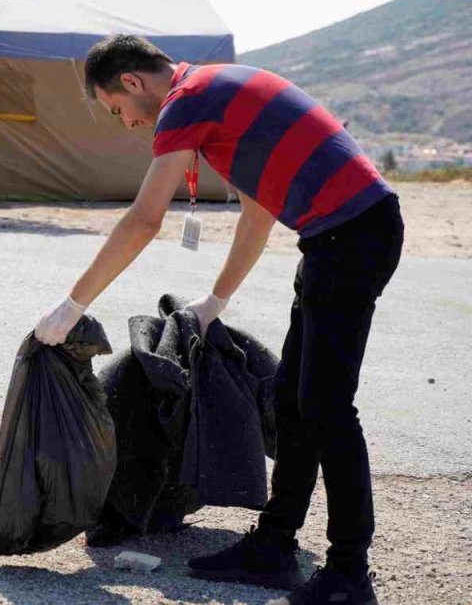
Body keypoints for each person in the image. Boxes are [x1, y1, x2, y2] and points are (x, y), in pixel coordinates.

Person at [35, 35, 402, 605]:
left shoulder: (187, 100)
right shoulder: (218, 92)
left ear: (132, 82)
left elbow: (144, 220)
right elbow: (259, 212)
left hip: (351, 237)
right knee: (293, 399)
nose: (127, 122)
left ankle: (349, 574)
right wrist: (216, 301)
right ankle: (274, 547)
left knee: (327, 407)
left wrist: (73, 304)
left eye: (117, 109)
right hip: (335, 240)